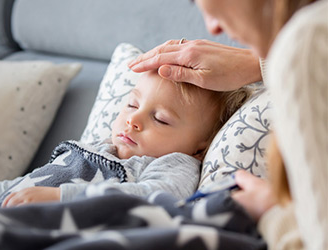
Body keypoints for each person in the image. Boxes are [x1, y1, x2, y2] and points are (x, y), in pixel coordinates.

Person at [129, 0, 327, 249]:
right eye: (131, 105)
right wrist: (259, 63)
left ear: (200, 149)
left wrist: (270, 213)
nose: (212, 27)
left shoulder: (308, 45)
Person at [0, 69, 251, 208]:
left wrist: (62, 198)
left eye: (160, 119)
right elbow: (19, 185)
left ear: (200, 149)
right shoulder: (90, 148)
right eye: (132, 105)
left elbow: (158, 197)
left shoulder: (172, 165)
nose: (133, 119)